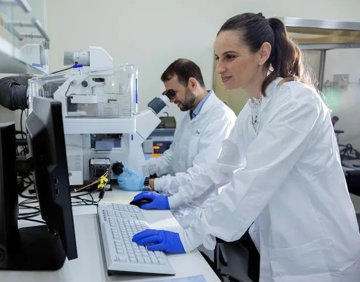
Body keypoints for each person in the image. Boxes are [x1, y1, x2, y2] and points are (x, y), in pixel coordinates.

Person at [131, 13, 360, 281]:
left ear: (262, 53)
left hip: (320, 256)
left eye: (230, 56)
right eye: (218, 58)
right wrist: (171, 200)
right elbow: (220, 169)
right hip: (281, 249)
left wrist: (189, 236)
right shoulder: (256, 106)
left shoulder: (297, 102)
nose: (219, 68)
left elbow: (251, 182)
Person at [116, 58, 236, 227]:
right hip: (179, 201)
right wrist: (140, 169)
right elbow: (172, 156)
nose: (171, 100)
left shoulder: (221, 119)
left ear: (192, 84)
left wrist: (148, 183)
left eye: (173, 92)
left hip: (203, 212)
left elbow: (200, 176)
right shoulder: (187, 115)